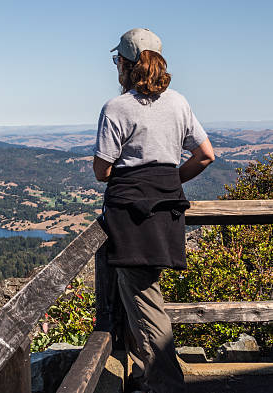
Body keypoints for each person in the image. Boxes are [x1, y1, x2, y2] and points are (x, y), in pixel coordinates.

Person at [92, 28, 215, 393]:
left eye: (118, 61)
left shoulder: (116, 108)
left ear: (127, 65)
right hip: (166, 212)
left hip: (131, 216)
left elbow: (102, 171)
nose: (117, 67)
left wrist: (133, 176)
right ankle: (148, 377)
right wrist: (169, 179)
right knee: (146, 295)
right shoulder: (178, 103)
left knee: (144, 301)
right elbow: (206, 155)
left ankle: (165, 384)